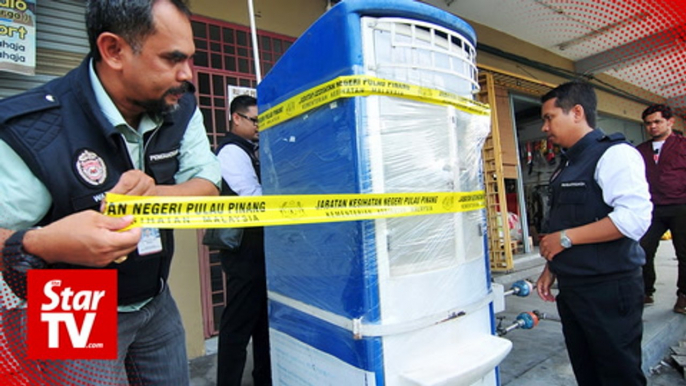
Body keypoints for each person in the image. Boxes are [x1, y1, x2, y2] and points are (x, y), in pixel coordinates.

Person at [0, 0, 221, 384]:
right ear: (113, 50)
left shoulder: (178, 106)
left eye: (190, 58)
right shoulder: (30, 128)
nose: (188, 74)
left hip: (155, 296)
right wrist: (42, 243)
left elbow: (206, 186)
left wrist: (156, 198)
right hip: (70, 300)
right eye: (172, 59)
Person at [535, 81, 652, 386]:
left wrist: (565, 238)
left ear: (576, 112)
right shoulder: (567, 165)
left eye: (549, 117)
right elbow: (569, 219)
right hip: (575, 288)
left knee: (618, 375)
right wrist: (552, 268)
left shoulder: (614, 155)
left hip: (608, 289)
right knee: (587, 372)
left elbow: (634, 219)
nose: (545, 127)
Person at [216, 95, 271, 386]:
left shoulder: (250, 149)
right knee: (238, 326)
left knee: (263, 323)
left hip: (258, 250)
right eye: (254, 120)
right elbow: (251, 196)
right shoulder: (231, 152)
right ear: (236, 118)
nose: (259, 127)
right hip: (244, 253)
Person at [635, 104, 686, 312]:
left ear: (670, 122)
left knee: (684, 253)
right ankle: (645, 291)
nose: (652, 127)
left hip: (681, 206)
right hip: (652, 208)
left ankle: (683, 295)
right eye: (648, 123)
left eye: (657, 122)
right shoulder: (640, 151)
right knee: (642, 250)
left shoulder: (683, 145)